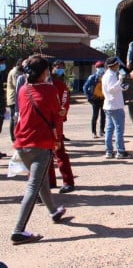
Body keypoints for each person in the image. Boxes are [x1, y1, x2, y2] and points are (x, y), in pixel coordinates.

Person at [11, 55, 66, 245]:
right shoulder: (50, 90)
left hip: (22, 143)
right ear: (44, 72)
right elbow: (56, 115)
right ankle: (18, 230)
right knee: (33, 187)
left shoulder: (23, 89)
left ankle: (54, 211)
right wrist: (57, 139)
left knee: (40, 181)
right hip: (41, 144)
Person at [48, 61, 75, 194]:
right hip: (44, 124)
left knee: (59, 152)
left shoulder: (59, 84)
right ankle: (50, 181)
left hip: (55, 124)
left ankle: (68, 181)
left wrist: (61, 115)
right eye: (58, 68)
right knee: (45, 155)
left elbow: (64, 103)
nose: (60, 70)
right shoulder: (41, 84)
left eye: (62, 68)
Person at [102, 57, 133, 159]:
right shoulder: (111, 76)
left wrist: (121, 87)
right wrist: (120, 82)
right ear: (114, 65)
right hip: (115, 106)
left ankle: (109, 151)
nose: (119, 66)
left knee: (109, 129)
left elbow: (112, 89)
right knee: (119, 130)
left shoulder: (107, 75)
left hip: (109, 105)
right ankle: (120, 151)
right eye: (117, 65)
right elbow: (111, 89)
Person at [83, 61, 106, 138]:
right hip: (95, 99)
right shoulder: (92, 77)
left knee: (103, 115)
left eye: (102, 67)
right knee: (95, 115)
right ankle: (94, 132)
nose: (101, 69)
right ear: (96, 68)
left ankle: (102, 131)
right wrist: (90, 96)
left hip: (103, 98)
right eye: (99, 67)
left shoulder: (105, 77)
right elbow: (85, 87)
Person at [5, 58, 25, 142]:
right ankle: (14, 137)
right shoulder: (15, 72)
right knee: (14, 118)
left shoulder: (19, 72)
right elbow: (17, 84)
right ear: (20, 64)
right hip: (14, 98)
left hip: (16, 97)